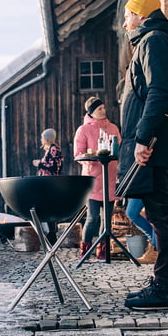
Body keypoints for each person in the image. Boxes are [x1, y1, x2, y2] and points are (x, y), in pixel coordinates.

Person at [119, 0, 168, 310]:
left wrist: (143, 138)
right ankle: (161, 284)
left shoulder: (153, 40)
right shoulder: (152, 40)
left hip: (155, 146)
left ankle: (163, 289)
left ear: (141, 16)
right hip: (153, 145)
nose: (125, 22)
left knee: (162, 215)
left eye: (128, 15)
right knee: (160, 214)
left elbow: (159, 91)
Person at [74, 97, 121, 260]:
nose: (103, 110)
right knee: (93, 217)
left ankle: (103, 251)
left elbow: (118, 151)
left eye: (103, 107)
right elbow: (78, 154)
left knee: (106, 219)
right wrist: (92, 156)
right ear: (91, 112)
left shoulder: (113, 128)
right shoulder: (83, 130)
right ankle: (85, 250)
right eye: (99, 108)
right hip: (92, 181)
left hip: (110, 179)